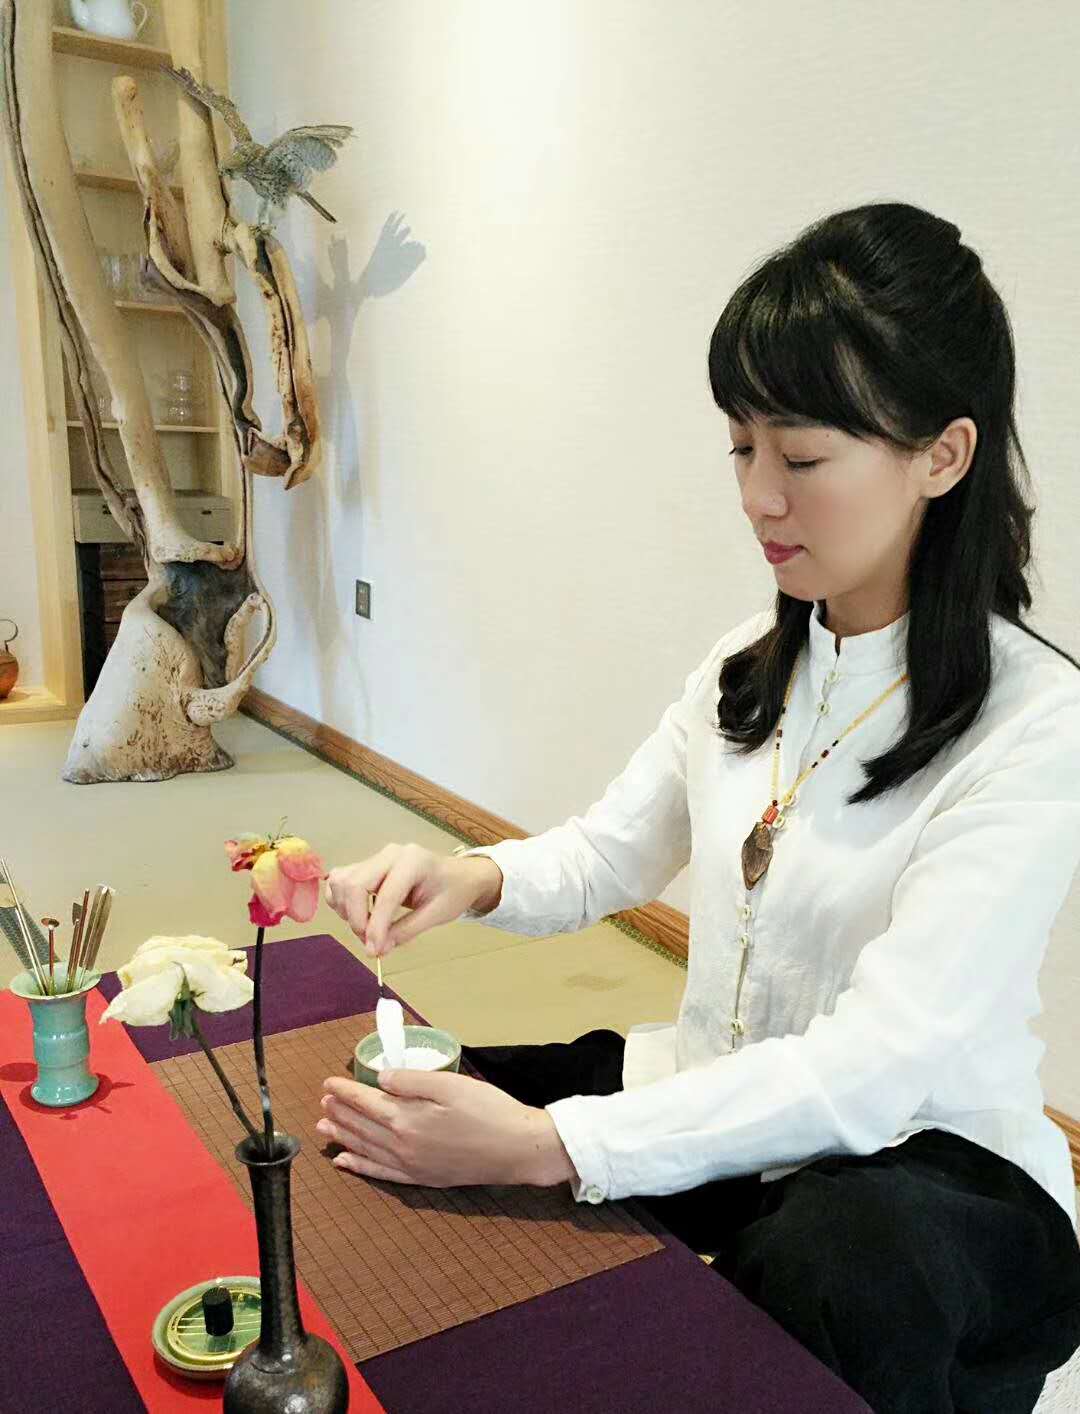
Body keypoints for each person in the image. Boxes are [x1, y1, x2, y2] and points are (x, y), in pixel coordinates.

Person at [318, 201, 1080, 1414]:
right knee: (398, 1108)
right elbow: (611, 853)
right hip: (728, 1101)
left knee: (823, 1261)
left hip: (929, 1175)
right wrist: (466, 875)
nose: (759, 499)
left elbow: (876, 1068)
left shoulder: (1035, 724)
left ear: (943, 454)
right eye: (741, 449)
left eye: (804, 457)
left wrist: (551, 1144)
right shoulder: (749, 667)